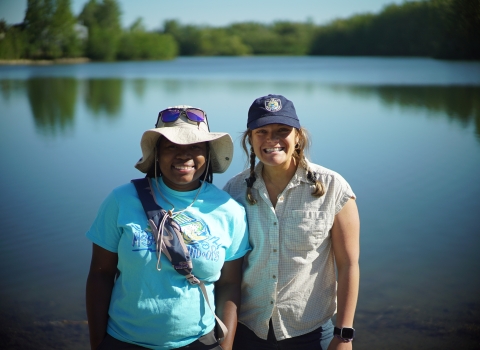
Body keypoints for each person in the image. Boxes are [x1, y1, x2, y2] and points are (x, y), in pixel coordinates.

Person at [86, 106, 250, 350]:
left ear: (207, 153)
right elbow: (101, 274)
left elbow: (229, 284)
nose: (184, 156)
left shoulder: (229, 211)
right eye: (172, 146)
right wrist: (99, 343)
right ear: (157, 153)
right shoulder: (121, 201)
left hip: (199, 342)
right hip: (124, 340)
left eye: (195, 147)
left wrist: (224, 347)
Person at [223, 94, 360, 350]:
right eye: (261, 131)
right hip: (248, 330)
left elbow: (348, 264)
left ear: (298, 136)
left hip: (311, 332)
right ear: (249, 139)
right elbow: (227, 271)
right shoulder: (234, 191)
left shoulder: (333, 188)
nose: (271, 139)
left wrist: (344, 334)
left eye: (282, 131)